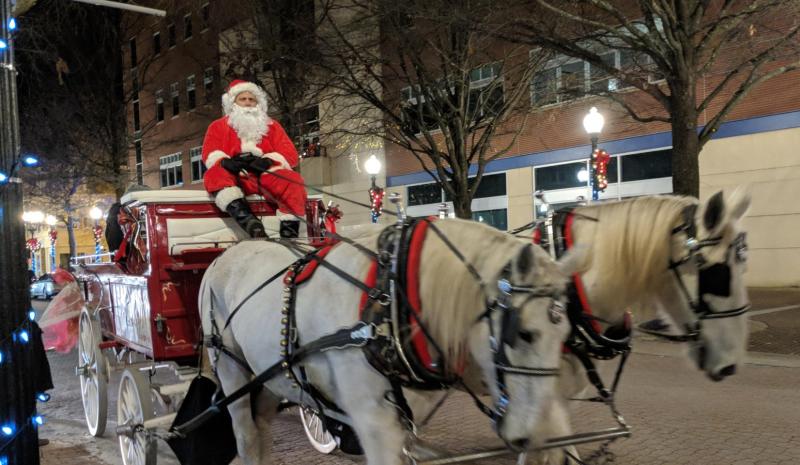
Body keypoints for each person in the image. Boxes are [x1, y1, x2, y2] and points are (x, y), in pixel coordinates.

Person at [201, 79, 307, 238]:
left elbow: (290, 154)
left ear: (258, 103)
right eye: (242, 99)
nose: (248, 103)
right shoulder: (218, 126)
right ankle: (251, 223)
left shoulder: (273, 126)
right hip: (238, 176)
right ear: (233, 103)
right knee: (214, 175)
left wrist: (269, 160)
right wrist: (225, 162)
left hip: (267, 175)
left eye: (251, 99)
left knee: (293, 180)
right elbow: (210, 153)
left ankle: (289, 234)